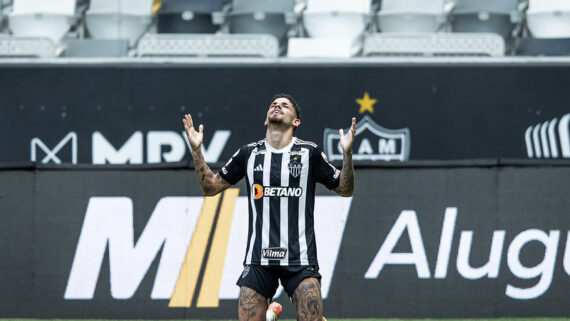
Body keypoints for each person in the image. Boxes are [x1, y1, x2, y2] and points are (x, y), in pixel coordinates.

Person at [182, 93, 355, 321]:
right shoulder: (248, 153)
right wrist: (196, 150)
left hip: (299, 259)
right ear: (266, 119)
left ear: (296, 122)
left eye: (285, 105)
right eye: (274, 104)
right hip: (258, 260)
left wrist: (347, 154)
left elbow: (345, 189)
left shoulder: (309, 153)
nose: (277, 106)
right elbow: (210, 187)